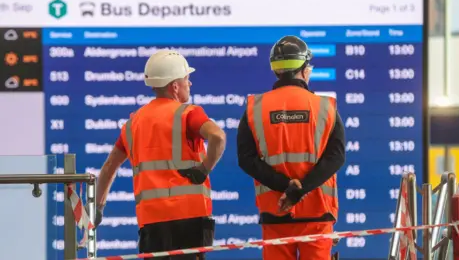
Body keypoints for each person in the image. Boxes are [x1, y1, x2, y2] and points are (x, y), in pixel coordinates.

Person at [92, 49, 227, 260]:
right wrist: (204, 169)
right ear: (175, 86)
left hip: (151, 221)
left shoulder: (132, 124)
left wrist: (98, 207)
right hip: (191, 217)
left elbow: (110, 166)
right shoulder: (188, 113)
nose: (189, 84)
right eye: (186, 79)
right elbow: (218, 137)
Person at [236, 35, 346, 260]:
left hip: (276, 212)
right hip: (318, 212)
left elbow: (246, 159)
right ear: (304, 70)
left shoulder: (254, 109)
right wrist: (301, 188)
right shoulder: (326, 107)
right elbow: (336, 157)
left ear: (276, 71)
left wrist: (285, 186)